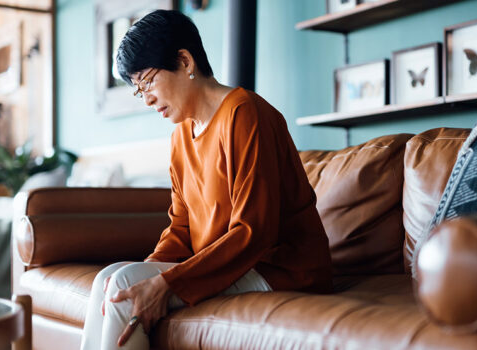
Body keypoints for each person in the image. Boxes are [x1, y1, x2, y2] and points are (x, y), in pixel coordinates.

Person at [80, 9, 332, 350]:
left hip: (281, 269)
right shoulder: (181, 136)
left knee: (124, 281)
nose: (147, 98)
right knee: (110, 280)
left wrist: (167, 283)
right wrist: (151, 272)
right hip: (232, 267)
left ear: (185, 61)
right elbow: (181, 228)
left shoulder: (246, 114)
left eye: (148, 81)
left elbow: (253, 233)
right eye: (139, 90)